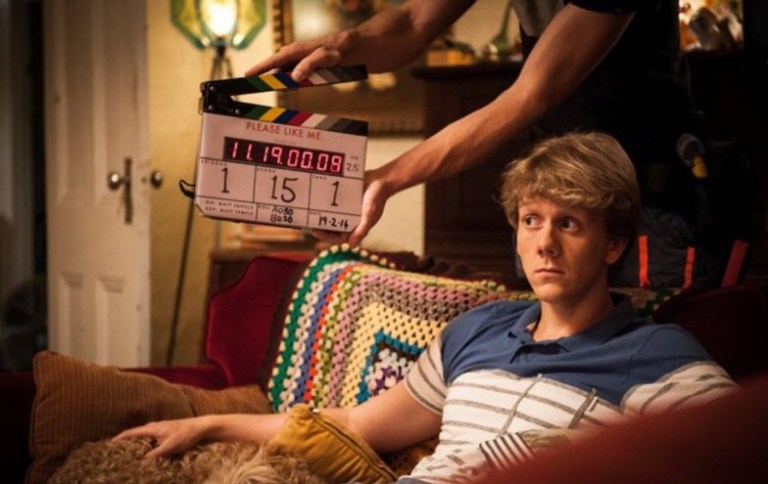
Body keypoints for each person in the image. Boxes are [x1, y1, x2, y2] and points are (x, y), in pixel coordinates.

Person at [115, 132, 735, 482]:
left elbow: (736, 449)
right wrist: (207, 425)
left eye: (569, 224)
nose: (544, 243)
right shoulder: (478, 332)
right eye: (531, 220)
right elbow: (354, 425)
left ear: (614, 243)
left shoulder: (651, 352)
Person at [245, 0, 702, 253]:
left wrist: (385, 178)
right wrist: (343, 45)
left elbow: (529, 94)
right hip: (554, 185)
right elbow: (411, 22)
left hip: (645, 196)